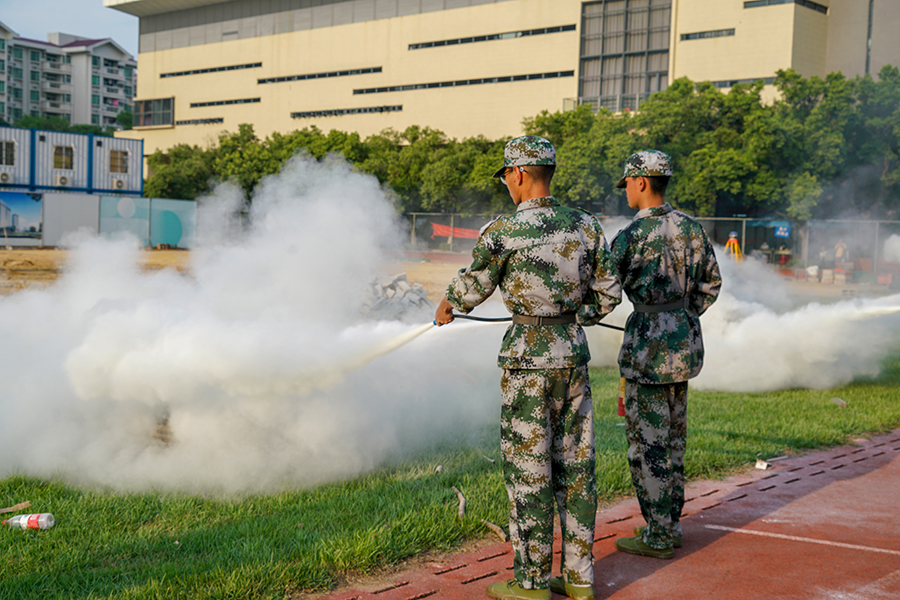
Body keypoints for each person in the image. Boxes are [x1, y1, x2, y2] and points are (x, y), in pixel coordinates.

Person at [434, 135, 621, 600]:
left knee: (529, 472)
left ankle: (532, 582)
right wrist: (575, 319)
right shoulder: (586, 226)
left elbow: (472, 286)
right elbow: (610, 293)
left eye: (506, 177)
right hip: (572, 357)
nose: (506, 185)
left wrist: (447, 305)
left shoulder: (503, 230)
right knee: (577, 469)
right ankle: (579, 580)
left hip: (526, 364)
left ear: (517, 173)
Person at [608, 151, 721, 560]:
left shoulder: (630, 236)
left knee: (647, 446)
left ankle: (658, 536)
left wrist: (578, 315)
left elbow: (603, 295)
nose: (626, 193)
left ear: (640, 182)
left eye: (627, 185)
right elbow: (711, 284)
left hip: (647, 355)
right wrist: (680, 317)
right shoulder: (692, 228)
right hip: (683, 348)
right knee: (674, 442)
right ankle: (668, 524)